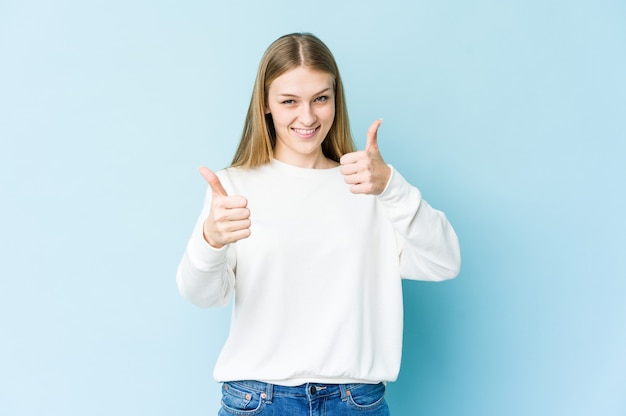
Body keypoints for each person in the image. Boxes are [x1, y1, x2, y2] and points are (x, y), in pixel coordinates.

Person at [176, 32, 461, 416]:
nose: (307, 117)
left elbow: (444, 262)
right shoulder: (234, 188)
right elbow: (203, 295)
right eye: (289, 101)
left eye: (320, 99)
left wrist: (392, 187)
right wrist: (210, 240)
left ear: (335, 99)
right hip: (258, 401)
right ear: (265, 104)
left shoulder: (370, 185)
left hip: (354, 402)